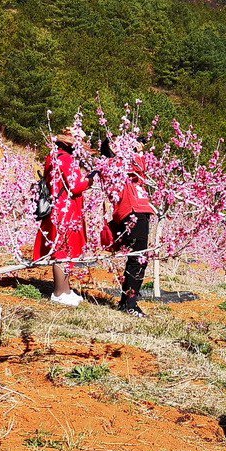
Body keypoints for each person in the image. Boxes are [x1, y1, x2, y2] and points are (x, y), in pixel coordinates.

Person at [33, 130, 94, 307]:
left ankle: (66, 290)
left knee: (64, 248)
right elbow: (75, 186)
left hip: (56, 206)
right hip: (65, 209)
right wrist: (90, 180)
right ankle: (59, 292)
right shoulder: (66, 159)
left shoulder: (52, 156)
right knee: (63, 249)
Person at [100, 135, 154, 317]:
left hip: (138, 210)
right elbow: (140, 167)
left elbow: (141, 172)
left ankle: (126, 301)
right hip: (131, 212)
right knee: (138, 258)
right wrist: (138, 152)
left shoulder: (125, 168)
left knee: (138, 257)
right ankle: (130, 303)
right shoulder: (113, 165)